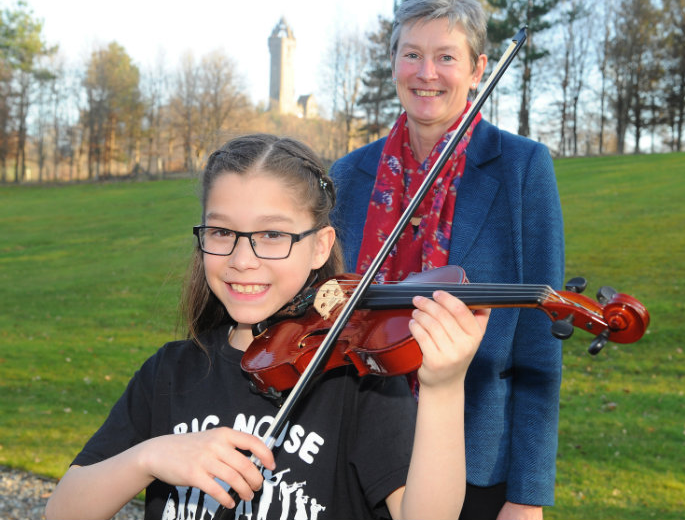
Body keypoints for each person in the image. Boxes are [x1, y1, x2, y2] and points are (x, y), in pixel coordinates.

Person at [45, 133, 490, 520]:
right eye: (222, 233)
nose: (242, 260)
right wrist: (148, 457)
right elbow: (63, 510)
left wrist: (444, 388)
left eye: (272, 235)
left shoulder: (358, 382)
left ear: (320, 247)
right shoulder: (169, 372)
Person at [329, 0, 565, 520]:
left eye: (445, 57)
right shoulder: (348, 174)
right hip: (357, 447)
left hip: (476, 456)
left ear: (479, 69)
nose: (426, 73)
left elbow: (538, 347)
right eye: (411, 54)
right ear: (393, 62)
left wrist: (527, 496)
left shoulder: (521, 168)